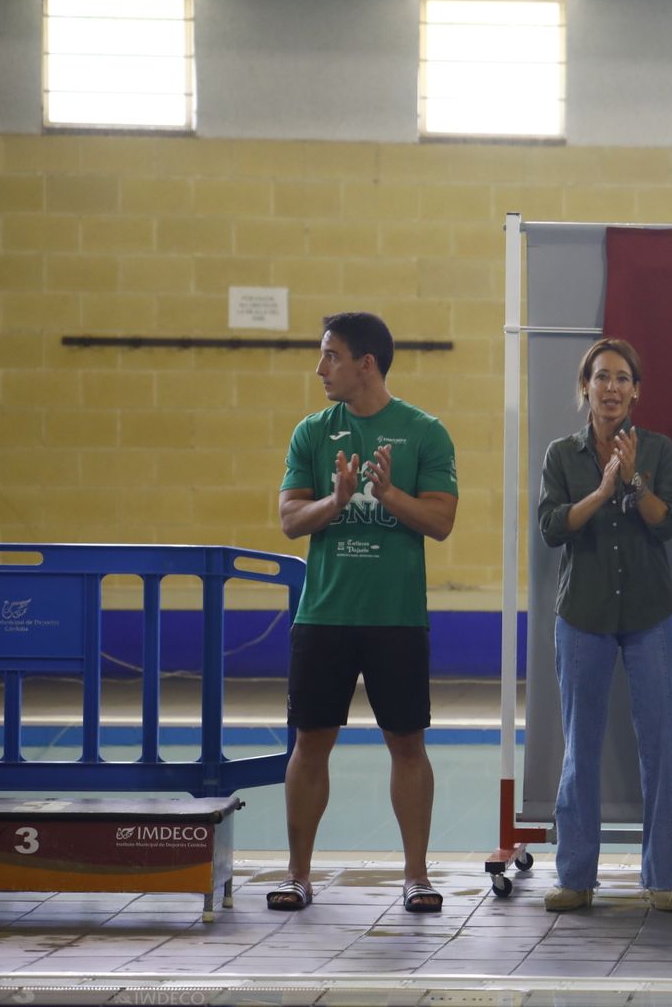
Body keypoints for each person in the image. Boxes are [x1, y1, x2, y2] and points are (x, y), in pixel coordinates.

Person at [271, 312, 459, 914]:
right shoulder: (311, 432)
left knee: (407, 744)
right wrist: (338, 499)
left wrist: (387, 494)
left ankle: (416, 876)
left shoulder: (425, 432)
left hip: (395, 619)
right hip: (324, 615)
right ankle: (298, 874)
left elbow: (441, 522)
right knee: (311, 743)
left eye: (330, 356)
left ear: (366, 364)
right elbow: (290, 520)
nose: (320, 367)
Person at [537, 337, 672, 913]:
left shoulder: (658, 450)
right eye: (601, 377)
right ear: (585, 388)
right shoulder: (562, 455)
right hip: (583, 617)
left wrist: (635, 483)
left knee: (661, 746)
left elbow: (669, 524)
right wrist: (602, 492)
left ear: (636, 391)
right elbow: (553, 526)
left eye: (623, 378)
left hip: (652, 614)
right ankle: (575, 876)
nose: (612, 388)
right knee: (581, 748)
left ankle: (665, 879)